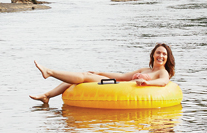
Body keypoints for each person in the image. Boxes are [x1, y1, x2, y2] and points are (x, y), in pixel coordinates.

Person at [31, 43, 175, 106]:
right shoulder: (145, 69)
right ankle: (47, 96)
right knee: (83, 77)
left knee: (84, 76)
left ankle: (49, 72)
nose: (160, 56)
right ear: (153, 54)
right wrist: (100, 72)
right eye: (158, 52)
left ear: (167, 57)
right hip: (118, 85)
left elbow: (163, 82)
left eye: (164, 54)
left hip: (119, 89)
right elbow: (123, 76)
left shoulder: (162, 72)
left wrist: (146, 83)